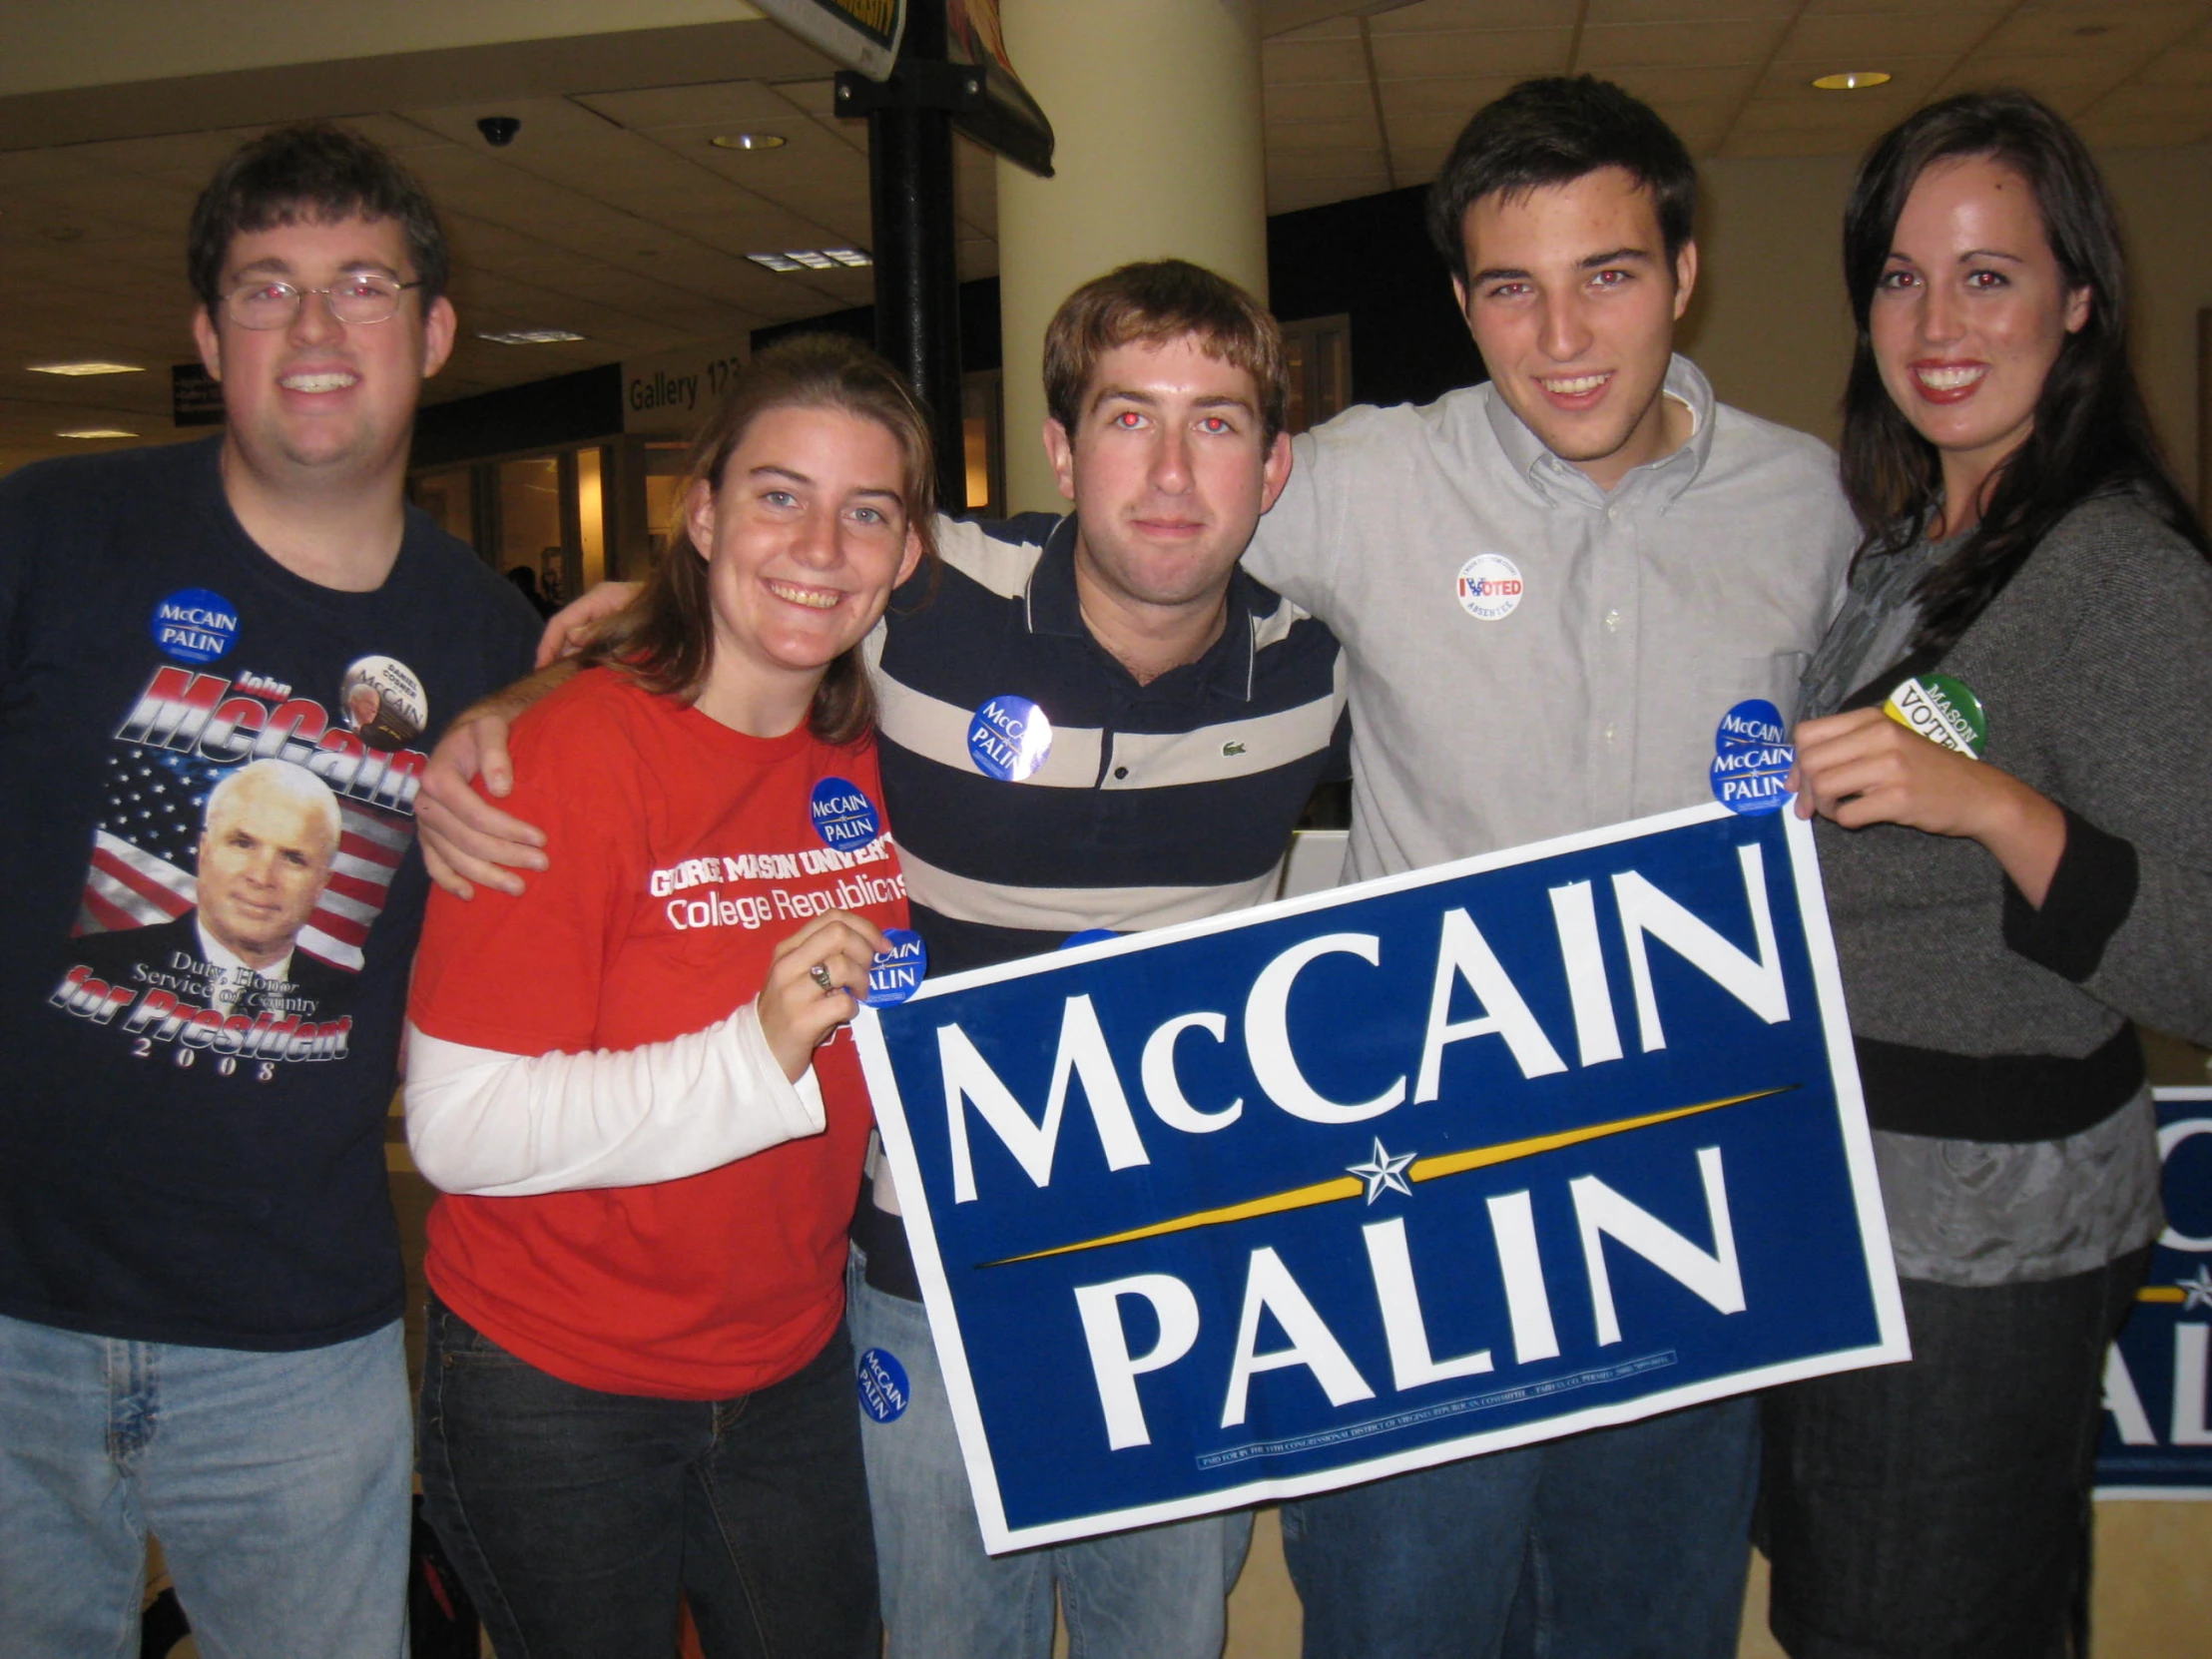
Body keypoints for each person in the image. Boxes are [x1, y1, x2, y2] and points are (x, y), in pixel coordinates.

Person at [416, 260, 1350, 1659]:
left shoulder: (1315, 668)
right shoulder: (918, 617)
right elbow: (753, 610)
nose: (1166, 468)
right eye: (1124, 417)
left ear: (1273, 463)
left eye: (1213, 422)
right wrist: (521, 694)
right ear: (1058, 447)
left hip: (1120, 1287)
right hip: (886, 1291)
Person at [1234, 77, 1860, 1658]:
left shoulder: (1813, 509)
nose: (1563, 337)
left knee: (1645, 1622)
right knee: (1401, 1622)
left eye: (1610, 274)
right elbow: (1121, 537)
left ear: (1685, 272)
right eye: (1513, 287)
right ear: (1461, 300)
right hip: (1418, 1207)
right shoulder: (1370, 480)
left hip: (1681, 1204)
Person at [0, 123, 539, 1657]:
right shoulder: (53, 533)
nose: (313, 329)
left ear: (433, 332)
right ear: (205, 336)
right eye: (265, 288)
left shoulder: (488, 641)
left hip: (299, 1341)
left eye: (361, 285)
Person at [1760, 90, 2212, 1658]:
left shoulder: (2121, 571)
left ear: (2078, 299)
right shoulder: (1911, 541)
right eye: (1901, 275)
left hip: (1980, 1227)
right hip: (1856, 1198)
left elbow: (2202, 961)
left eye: (1989, 275)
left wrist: (1995, 809)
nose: (1938, 322)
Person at [404, 335, 927, 1659]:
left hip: (791, 1355)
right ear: (701, 513)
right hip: (555, 1378)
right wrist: (752, 1053)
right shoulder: (566, 750)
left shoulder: (888, 751)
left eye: (867, 510)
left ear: (908, 554)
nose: (820, 543)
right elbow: (458, 1126)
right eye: (777, 494)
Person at [67, 759, 352, 1016]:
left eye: (293, 858)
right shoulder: (93, 965)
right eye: (242, 844)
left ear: (320, 884)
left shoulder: (345, 1004)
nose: (262, 877)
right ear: (204, 851)